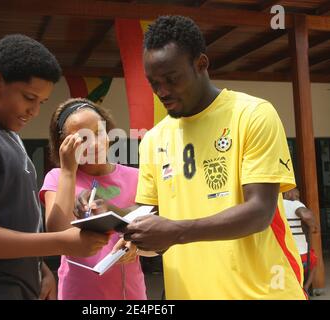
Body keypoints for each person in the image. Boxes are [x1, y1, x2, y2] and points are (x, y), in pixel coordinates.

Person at [121, 16, 306, 299]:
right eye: (153, 82)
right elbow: (149, 217)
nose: (162, 92)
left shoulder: (252, 114)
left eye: (171, 79)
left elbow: (260, 211)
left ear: (201, 64)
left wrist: (177, 232)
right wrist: (112, 219)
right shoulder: (153, 139)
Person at [0, 35, 108, 300]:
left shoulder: (9, 137)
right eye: (29, 97)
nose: (34, 111)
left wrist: (38, 268)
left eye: (42, 103)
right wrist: (62, 243)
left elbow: (11, 220)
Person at [39, 98, 147, 300]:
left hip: (130, 293)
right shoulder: (58, 177)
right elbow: (57, 233)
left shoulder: (136, 177)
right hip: (78, 292)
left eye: (99, 132)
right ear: (64, 145)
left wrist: (135, 244)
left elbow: (151, 226)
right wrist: (69, 170)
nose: (95, 143)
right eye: (83, 139)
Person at [283, 188, 318, 292]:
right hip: (300, 253)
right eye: (296, 196)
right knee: (313, 262)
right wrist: (314, 227)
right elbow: (306, 215)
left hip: (282, 251)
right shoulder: (295, 204)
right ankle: (305, 287)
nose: (297, 198)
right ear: (287, 193)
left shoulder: (276, 205)